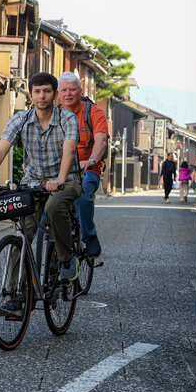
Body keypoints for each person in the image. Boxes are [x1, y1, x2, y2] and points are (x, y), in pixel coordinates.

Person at [0, 72, 82, 287]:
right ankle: (15, 292)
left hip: (67, 179)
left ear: (55, 95)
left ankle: (66, 258)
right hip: (33, 181)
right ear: (31, 95)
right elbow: (0, 151)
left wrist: (60, 180)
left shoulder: (67, 119)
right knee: (22, 232)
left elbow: (70, 151)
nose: (41, 96)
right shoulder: (20, 119)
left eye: (46, 91)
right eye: (37, 91)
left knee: (54, 207)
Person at [57, 72, 108, 259]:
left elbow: (101, 140)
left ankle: (89, 236)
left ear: (80, 91)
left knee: (82, 196)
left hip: (87, 169)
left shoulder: (93, 112)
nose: (68, 93)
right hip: (58, 169)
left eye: (72, 89)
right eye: (64, 90)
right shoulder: (54, 114)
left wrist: (92, 160)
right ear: (58, 93)